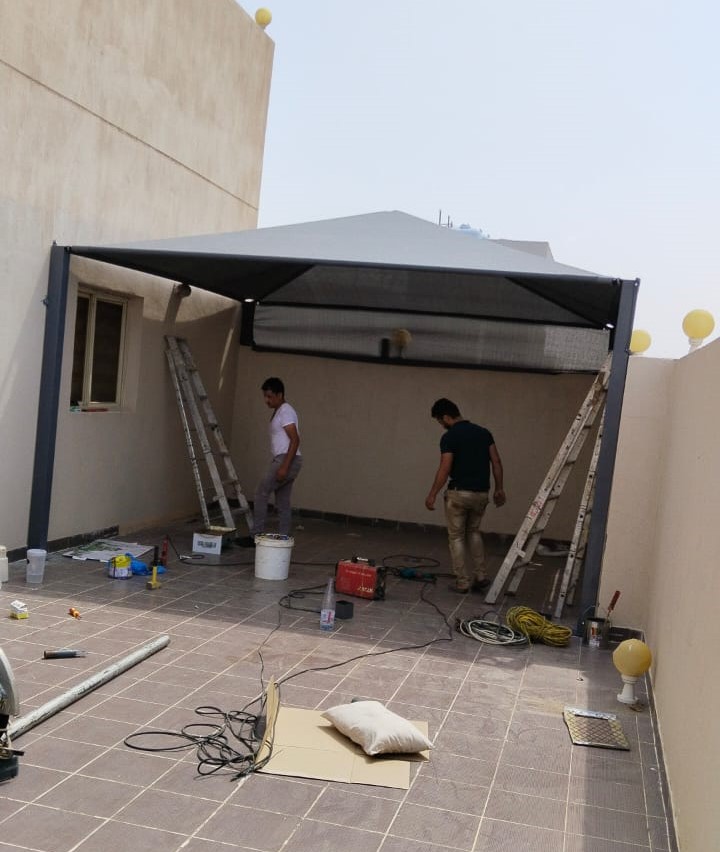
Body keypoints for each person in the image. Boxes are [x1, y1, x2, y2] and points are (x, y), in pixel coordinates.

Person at [425, 398, 505, 593]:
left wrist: (432, 494)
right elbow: (496, 462)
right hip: (481, 493)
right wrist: (499, 488)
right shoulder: (484, 433)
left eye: (440, 421)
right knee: (474, 531)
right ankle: (481, 576)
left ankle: (462, 582)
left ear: (446, 417)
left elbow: (445, 468)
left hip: (458, 494)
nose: (441, 425)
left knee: (456, 537)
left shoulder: (449, 437)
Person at [239, 377, 302, 546]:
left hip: (286, 458)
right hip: (290, 459)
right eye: (265, 396)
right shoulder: (281, 410)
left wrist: (284, 466)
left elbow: (295, 440)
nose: (266, 400)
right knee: (282, 500)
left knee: (261, 493)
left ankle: (256, 535)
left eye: (270, 396)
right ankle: (284, 538)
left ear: (280, 395)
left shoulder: (285, 411)